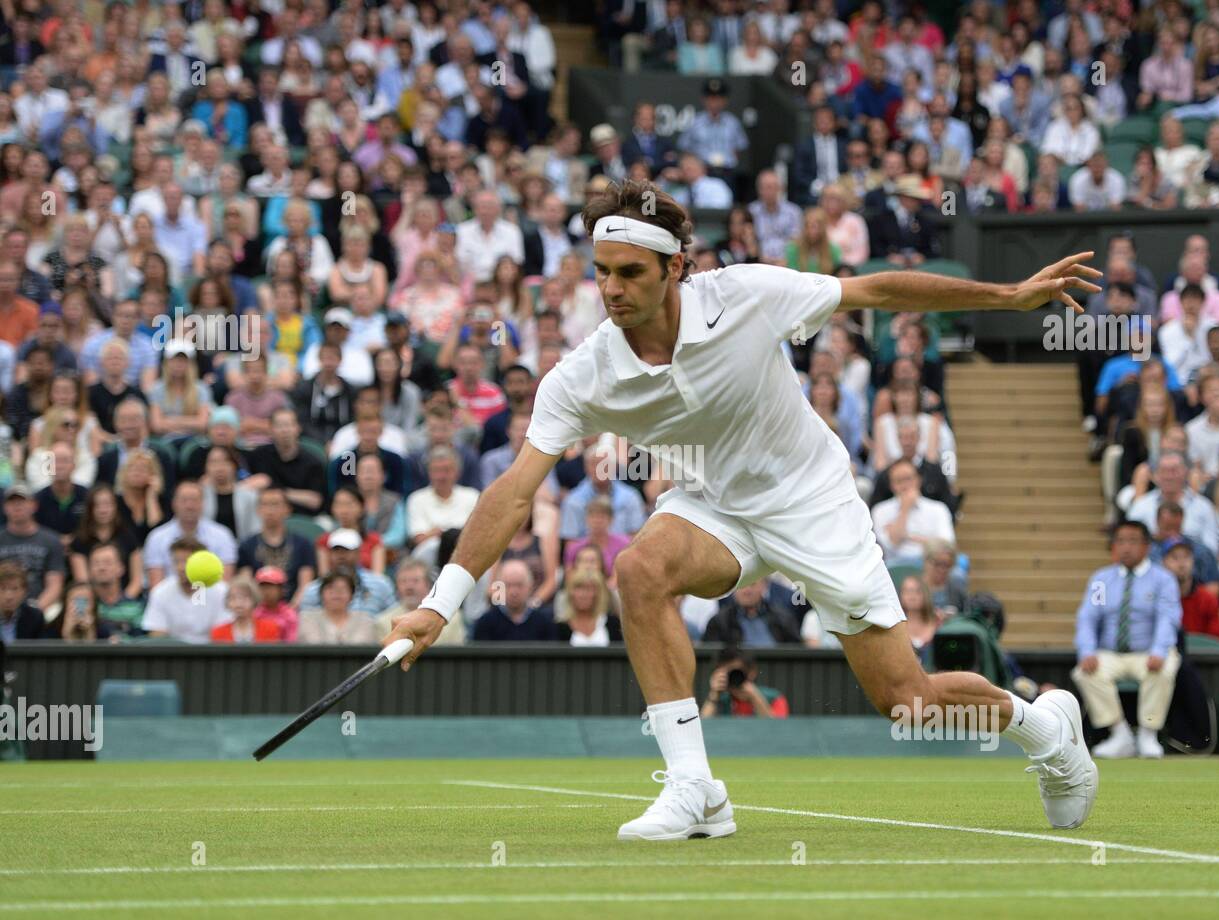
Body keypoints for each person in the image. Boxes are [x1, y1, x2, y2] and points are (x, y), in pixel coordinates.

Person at [383, 179, 1103, 840]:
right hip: (715, 505)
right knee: (638, 569)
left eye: (630, 272)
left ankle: (1045, 730)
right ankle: (696, 787)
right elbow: (513, 489)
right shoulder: (585, 374)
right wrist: (440, 605)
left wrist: (1007, 298)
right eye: (601, 270)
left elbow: (877, 291)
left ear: (676, 269)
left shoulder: (749, 294)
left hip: (811, 500)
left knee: (907, 702)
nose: (610, 288)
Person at [1073, 521, 1182, 760]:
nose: (1126, 547)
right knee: (1084, 672)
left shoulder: (1163, 579)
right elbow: (1088, 618)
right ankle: (1120, 734)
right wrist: (1087, 651)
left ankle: (1148, 734)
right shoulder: (1101, 580)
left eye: (1133, 541)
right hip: (1111, 653)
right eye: (1120, 541)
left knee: (1164, 668)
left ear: (1146, 546)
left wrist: (1159, 651)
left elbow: (1168, 618)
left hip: (1147, 652)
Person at [140, 538, 233, 643]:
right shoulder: (160, 592)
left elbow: (224, 637)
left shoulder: (221, 591)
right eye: (176, 561)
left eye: (187, 561)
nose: (181, 567)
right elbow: (157, 635)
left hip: (212, 656)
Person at [0, 483, 64, 613]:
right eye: (12, 502)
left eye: (22, 502)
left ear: (34, 505)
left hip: (40, 606)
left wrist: (35, 611)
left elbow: (55, 585)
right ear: (4, 508)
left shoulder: (51, 540)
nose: (17, 506)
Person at [700, 647, 788, 718]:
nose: (731, 677)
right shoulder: (719, 701)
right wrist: (713, 695)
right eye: (726, 673)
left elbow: (777, 731)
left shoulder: (774, 698)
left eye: (735, 672)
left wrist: (755, 697)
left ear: (752, 672)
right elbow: (701, 731)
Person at [298, 571, 383, 644]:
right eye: (330, 588)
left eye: (343, 589)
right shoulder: (306, 618)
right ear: (321, 593)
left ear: (352, 595)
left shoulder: (365, 620)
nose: (336, 593)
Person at [211, 578, 281, 643]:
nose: (238, 603)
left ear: (254, 599)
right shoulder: (218, 632)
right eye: (233, 598)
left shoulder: (270, 629)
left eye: (245, 597)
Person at [0, 558, 46, 639]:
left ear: (25, 592)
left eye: (15, 589)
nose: (9, 596)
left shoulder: (35, 617)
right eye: (2, 589)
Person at [252, 566, 299, 642]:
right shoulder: (255, 614)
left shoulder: (289, 615)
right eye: (263, 587)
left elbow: (291, 643)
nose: (266, 592)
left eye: (270, 587)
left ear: (281, 589)